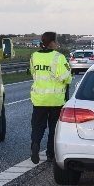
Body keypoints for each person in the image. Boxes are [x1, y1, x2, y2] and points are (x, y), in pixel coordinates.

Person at [29, 31, 72, 164]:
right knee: (54, 128)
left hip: (39, 99)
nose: (57, 43)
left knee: (38, 126)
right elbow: (67, 78)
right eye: (56, 41)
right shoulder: (59, 57)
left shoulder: (34, 56)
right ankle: (50, 154)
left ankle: (35, 145)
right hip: (56, 100)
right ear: (52, 42)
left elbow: (33, 73)